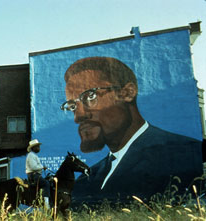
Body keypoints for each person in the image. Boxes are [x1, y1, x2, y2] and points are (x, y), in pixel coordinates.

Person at [60, 57, 203, 206]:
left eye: (90, 96)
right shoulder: (86, 179)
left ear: (128, 93)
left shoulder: (185, 154)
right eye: (72, 106)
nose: (78, 116)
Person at [26, 139, 50, 208]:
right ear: (33, 148)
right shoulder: (31, 155)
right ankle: (46, 204)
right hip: (33, 175)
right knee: (46, 183)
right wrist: (42, 167)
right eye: (37, 147)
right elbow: (33, 167)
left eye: (39, 146)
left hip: (35, 174)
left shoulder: (33, 155)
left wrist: (42, 168)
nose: (39, 148)